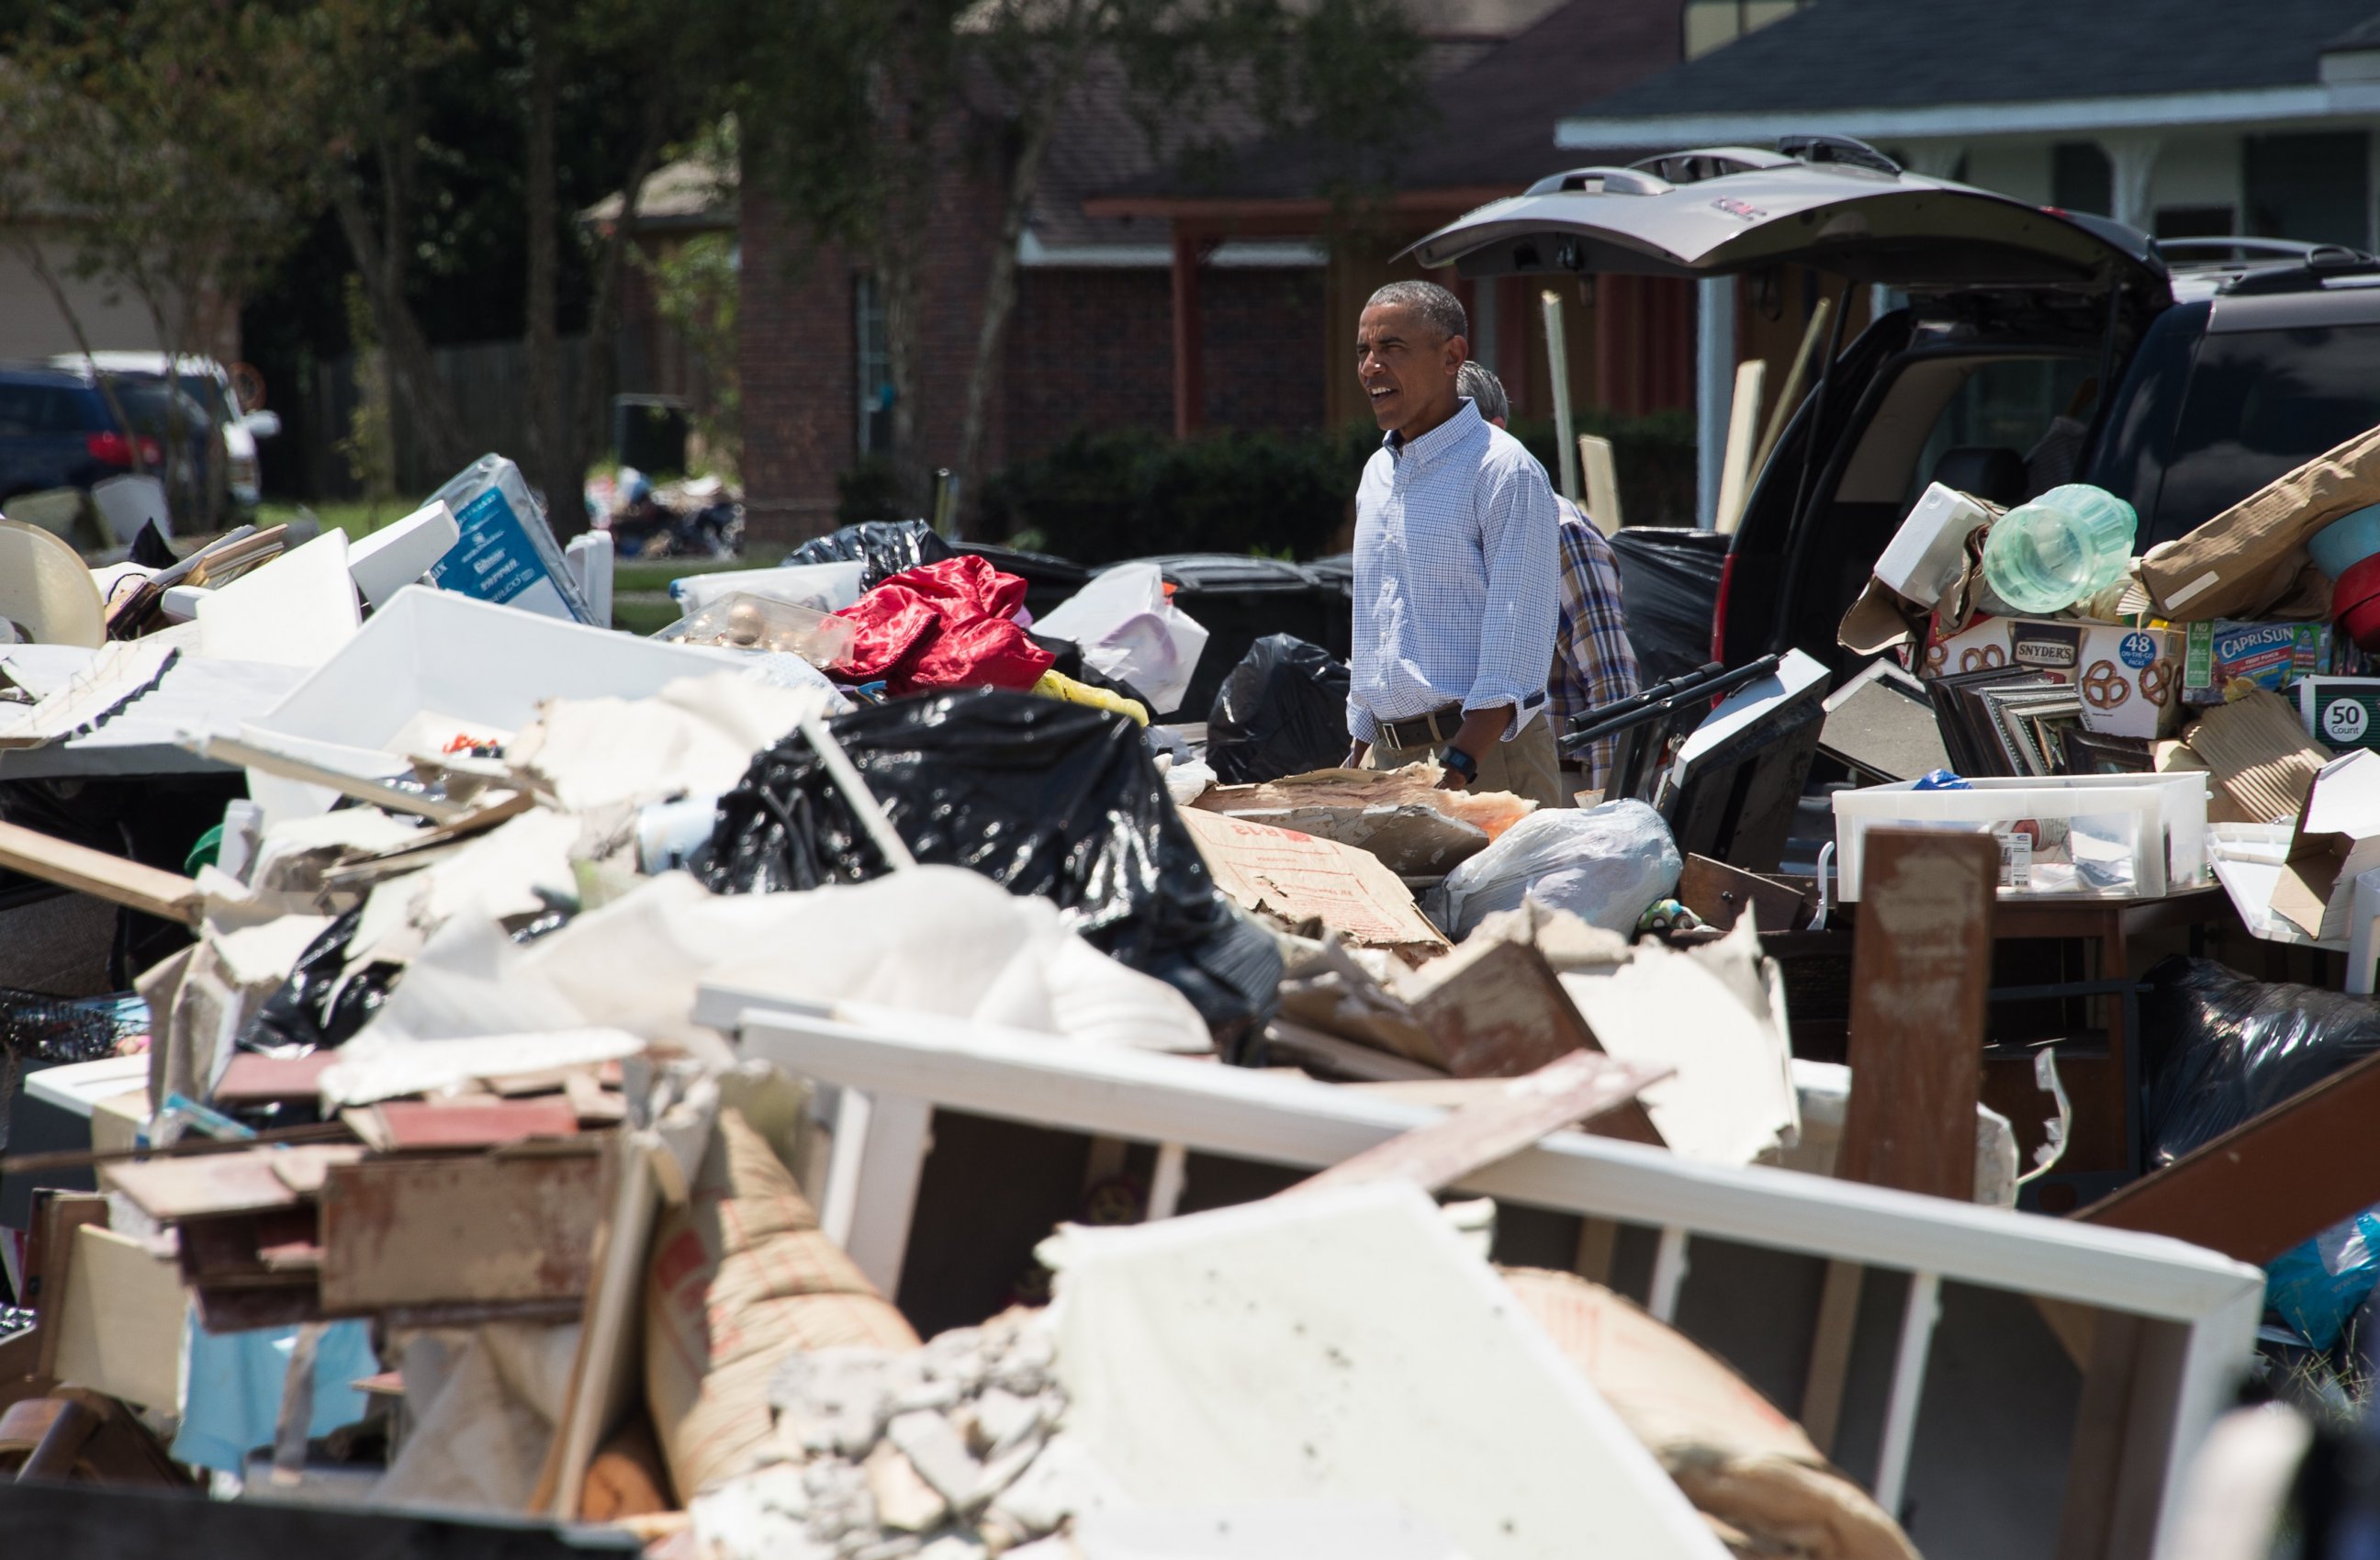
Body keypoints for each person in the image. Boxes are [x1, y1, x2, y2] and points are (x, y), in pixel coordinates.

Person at [1343, 280, 1564, 808]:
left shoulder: (1504, 470)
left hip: (1485, 760)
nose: (1372, 366)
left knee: (1509, 898)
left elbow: (1517, 647)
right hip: (1391, 763)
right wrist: (1358, 753)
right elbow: (1374, 628)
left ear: (1452, 356)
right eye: (1364, 351)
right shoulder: (1377, 473)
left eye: (1391, 347)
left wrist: (1458, 765)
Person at [1456, 362, 1642, 798]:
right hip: (1472, 773)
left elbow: (1613, 686)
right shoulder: (1446, 536)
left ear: (1496, 432)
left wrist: (1607, 820)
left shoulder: (1556, 530)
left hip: (1556, 786)